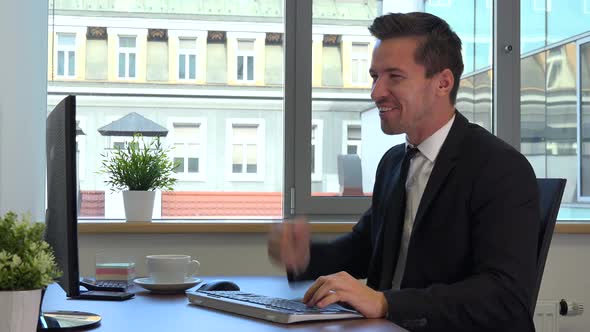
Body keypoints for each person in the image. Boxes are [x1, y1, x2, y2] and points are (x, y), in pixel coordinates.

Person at [268, 12, 540, 332]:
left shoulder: (500, 168)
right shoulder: (394, 162)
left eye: (394, 77)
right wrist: (303, 257)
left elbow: (505, 298)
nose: (376, 92)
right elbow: (366, 248)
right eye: (374, 77)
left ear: (443, 82)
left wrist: (387, 303)